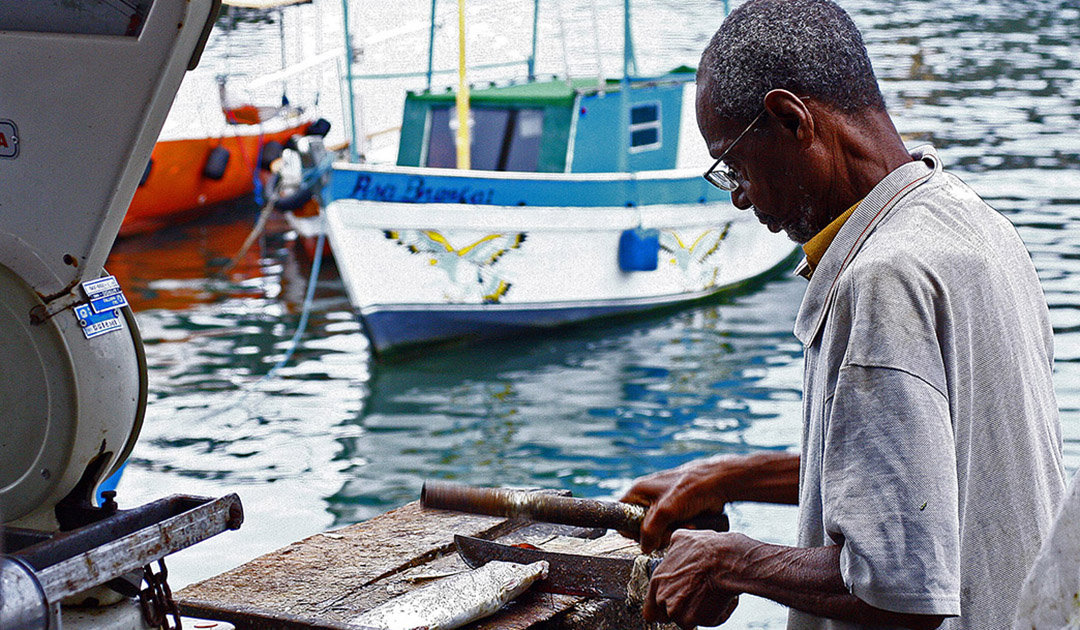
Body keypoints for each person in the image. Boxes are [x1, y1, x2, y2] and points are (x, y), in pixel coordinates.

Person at [620, 1, 1066, 629]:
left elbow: (898, 587)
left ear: (789, 118)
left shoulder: (881, 279)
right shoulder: (974, 224)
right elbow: (921, 467)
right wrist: (728, 476)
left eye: (735, 166)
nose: (742, 197)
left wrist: (728, 561)